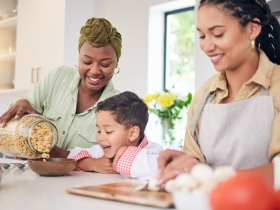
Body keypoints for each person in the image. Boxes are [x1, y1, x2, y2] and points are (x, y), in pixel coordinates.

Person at [157, 0, 280, 185]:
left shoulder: (276, 86)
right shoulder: (204, 95)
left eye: (217, 34)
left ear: (252, 30)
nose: (206, 46)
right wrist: (184, 166)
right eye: (202, 36)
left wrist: (210, 176)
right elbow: (195, 163)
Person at [0, 18, 122, 173]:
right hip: (35, 177)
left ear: (116, 64)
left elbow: (108, 162)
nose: (95, 71)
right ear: (78, 58)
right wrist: (22, 104)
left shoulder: (118, 107)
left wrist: (53, 151)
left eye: (105, 64)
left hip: (79, 186)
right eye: (87, 62)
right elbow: (17, 120)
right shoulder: (58, 77)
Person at [67, 91, 164, 180]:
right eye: (99, 131)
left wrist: (122, 153)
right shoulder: (102, 151)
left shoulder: (155, 152)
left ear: (133, 133)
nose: (100, 137)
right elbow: (72, 158)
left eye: (108, 131)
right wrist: (94, 164)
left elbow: (160, 170)